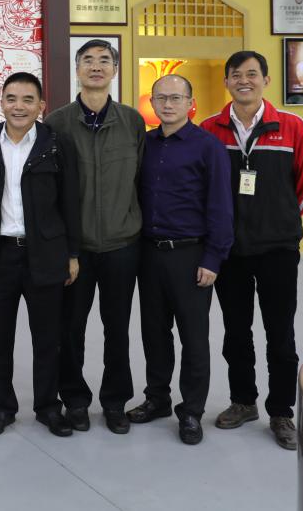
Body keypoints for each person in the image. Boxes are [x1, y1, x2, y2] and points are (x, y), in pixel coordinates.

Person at [201, 51, 303, 450]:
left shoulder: (293, 126)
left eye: (252, 74)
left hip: (277, 250)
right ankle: (243, 401)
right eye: (236, 75)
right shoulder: (210, 130)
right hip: (230, 251)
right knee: (236, 331)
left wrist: (280, 220)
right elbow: (201, 188)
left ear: (266, 80)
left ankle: (281, 411)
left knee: (280, 333)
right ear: (226, 82)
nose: (244, 81)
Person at [44, 39, 145, 434]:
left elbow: (141, 180)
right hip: (77, 249)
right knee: (70, 330)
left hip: (122, 244)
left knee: (117, 329)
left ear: (115, 70)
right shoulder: (57, 123)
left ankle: (115, 402)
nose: (96, 66)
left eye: (105, 60)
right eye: (88, 60)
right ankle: (75, 400)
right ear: (77, 69)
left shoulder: (132, 121)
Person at [0, 72, 80, 438]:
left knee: (48, 337)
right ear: (1, 102)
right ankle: (2, 407)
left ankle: (48, 407)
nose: (19, 106)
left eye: (27, 99)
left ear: (41, 106)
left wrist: (72, 253)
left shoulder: (57, 145)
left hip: (46, 254)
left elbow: (70, 202)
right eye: (12, 99)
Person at [127, 74, 233, 445]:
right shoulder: (145, 143)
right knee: (154, 334)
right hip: (149, 254)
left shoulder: (208, 147)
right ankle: (157, 398)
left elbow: (221, 205)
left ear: (190, 102)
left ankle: (191, 411)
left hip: (191, 255)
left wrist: (213, 258)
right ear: (152, 103)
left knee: (193, 337)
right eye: (161, 98)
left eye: (176, 98)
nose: (168, 104)